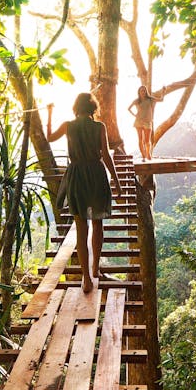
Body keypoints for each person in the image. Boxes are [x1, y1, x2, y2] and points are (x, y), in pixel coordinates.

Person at [47, 93, 121, 293]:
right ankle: (96, 268)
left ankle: (86, 278)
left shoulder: (68, 126)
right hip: (96, 174)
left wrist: (49, 113)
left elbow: (49, 137)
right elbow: (106, 155)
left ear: (76, 107)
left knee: (81, 228)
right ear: (93, 108)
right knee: (98, 223)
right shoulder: (99, 127)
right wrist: (116, 180)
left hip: (77, 175)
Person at [128, 85, 165, 160]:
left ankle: (148, 153)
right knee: (140, 139)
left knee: (147, 141)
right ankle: (143, 156)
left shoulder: (150, 99)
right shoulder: (136, 101)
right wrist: (135, 115)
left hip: (148, 121)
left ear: (146, 91)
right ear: (139, 92)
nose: (143, 92)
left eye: (144, 90)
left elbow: (161, 100)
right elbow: (129, 108)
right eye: (141, 90)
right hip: (138, 121)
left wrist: (163, 92)